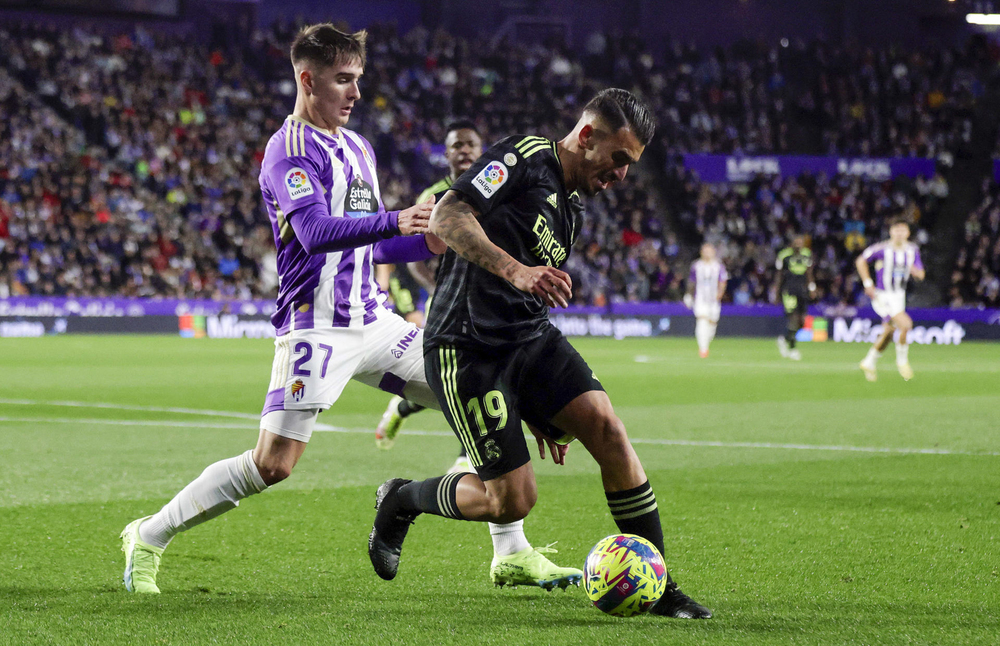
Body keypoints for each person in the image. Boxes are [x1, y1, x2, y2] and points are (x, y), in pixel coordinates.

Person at [119, 24, 577, 594]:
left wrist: (427, 238)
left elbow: (375, 243)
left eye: (359, 79)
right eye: (343, 80)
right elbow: (312, 231)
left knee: (476, 397)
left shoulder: (359, 148)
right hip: (316, 325)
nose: (356, 92)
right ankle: (149, 535)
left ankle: (511, 552)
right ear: (308, 81)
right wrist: (396, 218)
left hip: (375, 319)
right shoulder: (286, 150)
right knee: (273, 465)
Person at [367, 88, 712, 619]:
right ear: (588, 135)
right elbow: (446, 218)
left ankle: (659, 585)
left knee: (606, 426)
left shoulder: (570, 207)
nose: (622, 175)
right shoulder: (523, 157)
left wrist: (541, 404)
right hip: (467, 344)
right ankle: (402, 498)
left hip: (528, 336)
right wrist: (517, 270)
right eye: (619, 159)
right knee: (511, 501)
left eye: (632, 165)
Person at [375, 121, 484, 479]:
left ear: (481, 151)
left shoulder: (496, 191)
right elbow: (415, 252)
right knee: (457, 373)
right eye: (457, 146)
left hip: (487, 296)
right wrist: (434, 285)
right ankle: (462, 451)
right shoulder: (434, 197)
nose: (464, 151)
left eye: (470, 145)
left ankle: (458, 451)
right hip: (450, 298)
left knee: (481, 372)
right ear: (448, 153)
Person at [856, 217, 925, 381]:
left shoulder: (912, 250)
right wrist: (867, 283)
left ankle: (869, 361)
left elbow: (921, 274)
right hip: (883, 295)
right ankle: (902, 362)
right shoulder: (881, 249)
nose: (900, 233)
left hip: (899, 296)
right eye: (896, 230)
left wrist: (916, 272)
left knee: (889, 332)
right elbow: (860, 261)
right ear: (891, 232)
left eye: (903, 230)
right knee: (906, 324)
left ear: (908, 233)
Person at [774, 236, 815, 361]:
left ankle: (785, 339)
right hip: (789, 290)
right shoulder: (784, 256)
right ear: (792, 244)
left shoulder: (807, 254)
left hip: (802, 289)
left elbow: (809, 272)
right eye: (796, 242)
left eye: (800, 243)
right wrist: (777, 292)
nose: (798, 245)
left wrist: (812, 287)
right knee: (793, 317)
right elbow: (779, 275)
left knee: (802, 321)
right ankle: (792, 348)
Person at [683, 243, 727, 358]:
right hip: (700, 299)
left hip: (713, 300)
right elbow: (691, 282)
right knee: (702, 320)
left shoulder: (718, 266)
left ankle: (706, 343)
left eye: (709, 251)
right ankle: (703, 349)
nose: (707, 253)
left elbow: (722, 281)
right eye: (705, 251)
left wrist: (720, 294)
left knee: (712, 324)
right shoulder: (697, 266)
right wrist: (688, 295)